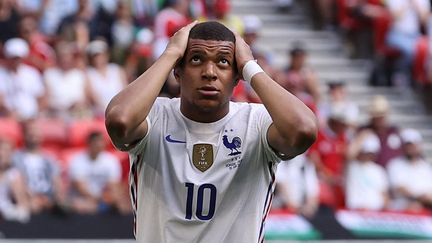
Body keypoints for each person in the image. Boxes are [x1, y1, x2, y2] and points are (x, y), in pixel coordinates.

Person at [105, 21, 317, 242]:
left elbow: (303, 129)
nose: (209, 73)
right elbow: (120, 120)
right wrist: (170, 54)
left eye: (223, 62)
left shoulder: (257, 121)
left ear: (237, 77)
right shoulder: (154, 115)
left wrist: (250, 66)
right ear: (177, 72)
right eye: (196, 59)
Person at [68, 131, 129, 214]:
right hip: (84, 199)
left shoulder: (111, 161)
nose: (99, 145)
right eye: (96, 142)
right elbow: (80, 188)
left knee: (123, 206)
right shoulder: (77, 161)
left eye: (101, 142)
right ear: (89, 143)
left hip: (104, 199)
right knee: (80, 205)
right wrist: (99, 200)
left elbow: (113, 185)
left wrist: (109, 199)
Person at [387, 128, 432, 212]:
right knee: (414, 207)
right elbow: (400, 188)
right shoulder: (395, 164)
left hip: (426, 204)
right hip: (403, 205)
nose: (411, 148)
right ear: (403, 147)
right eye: (408, 145)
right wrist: (420, 197)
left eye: (413, 145)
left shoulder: (425, 167)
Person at [345, 132, 390, 211]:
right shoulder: (351, 166)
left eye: (370, 153)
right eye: (365, 152)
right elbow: (349, 154)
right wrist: (362, 136)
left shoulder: (379, 170)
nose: (367, 155)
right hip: (355, 211)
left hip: (375, 212)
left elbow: (384, 195)